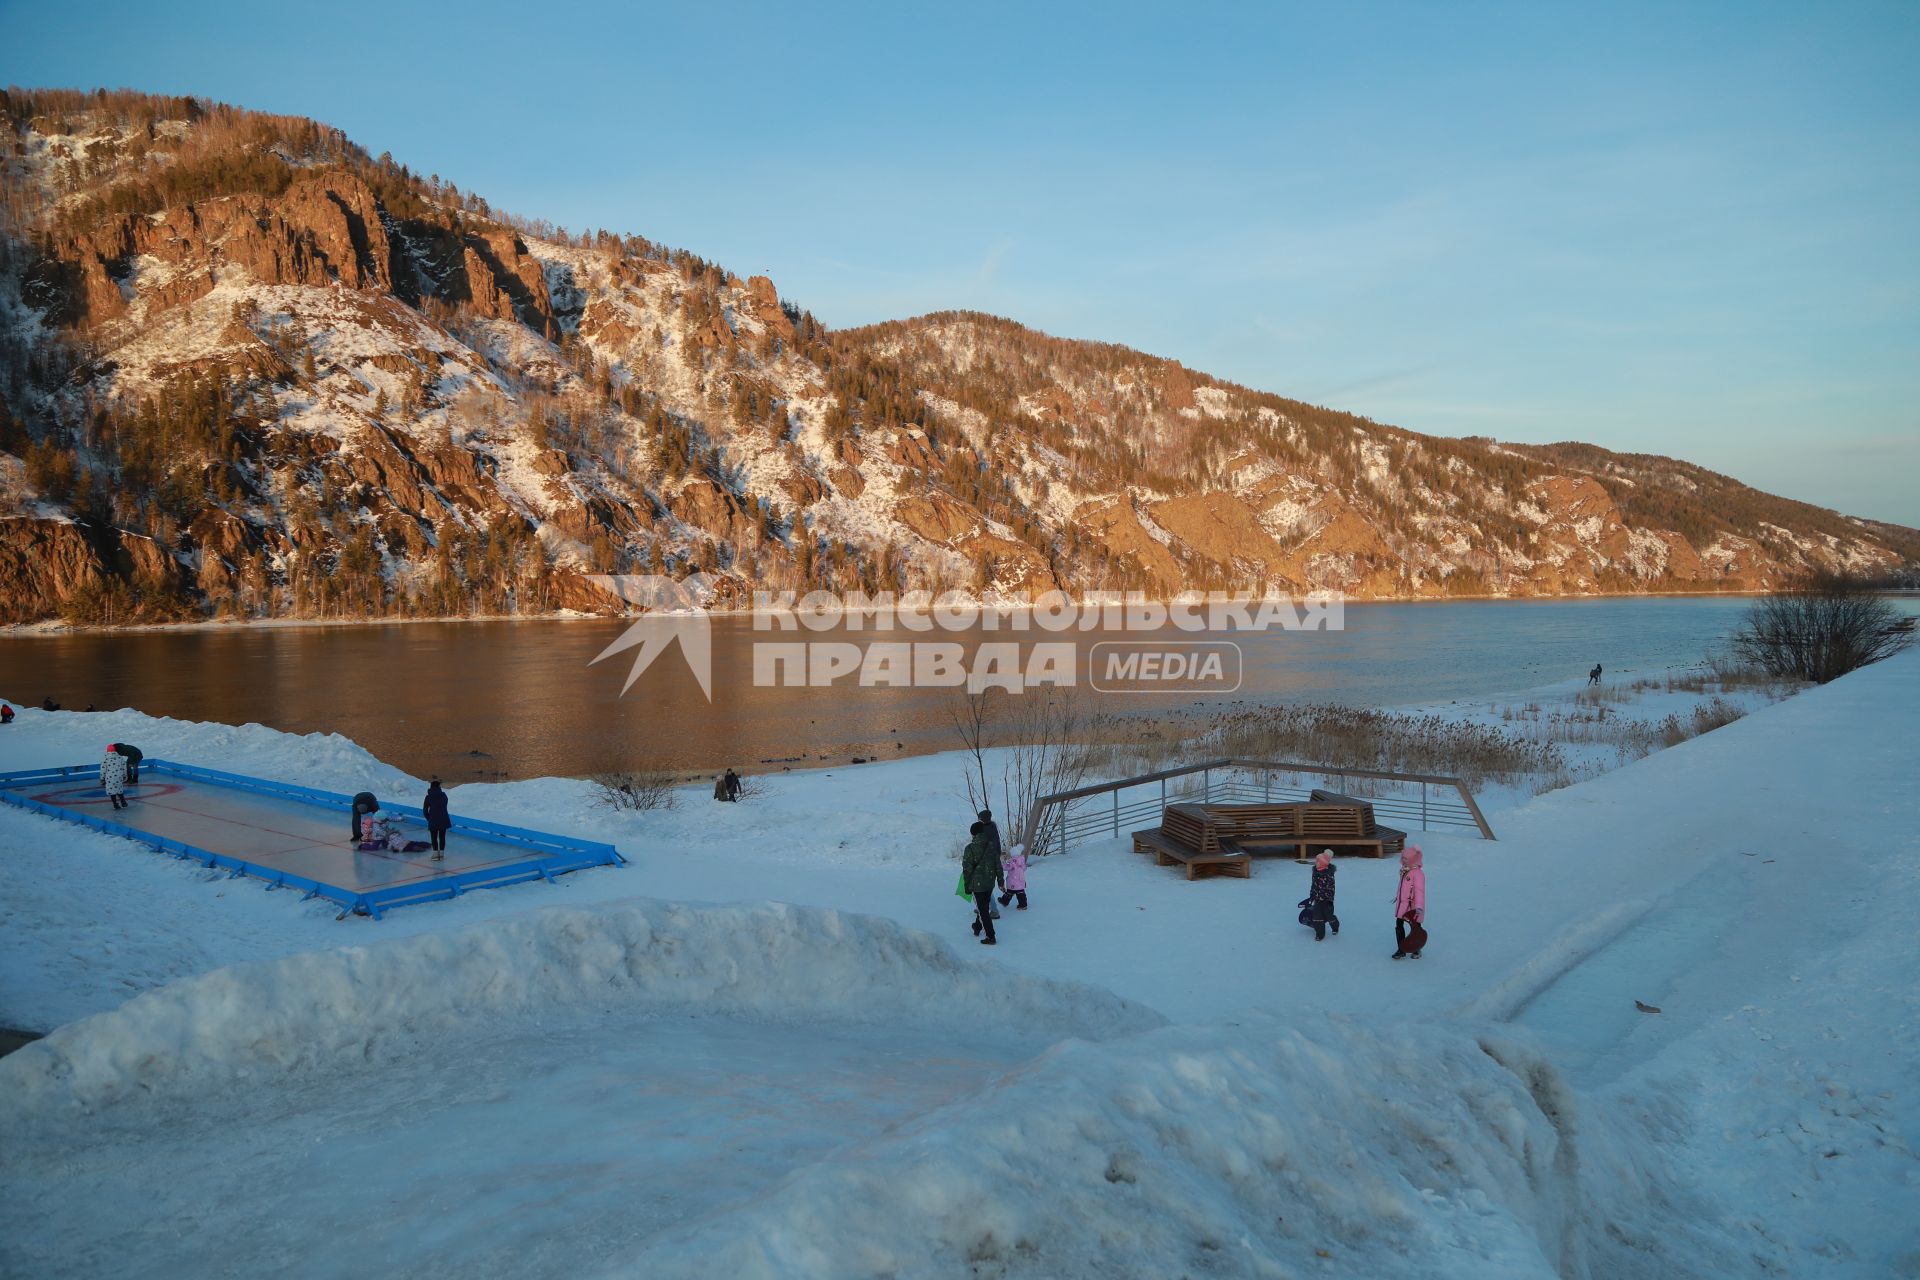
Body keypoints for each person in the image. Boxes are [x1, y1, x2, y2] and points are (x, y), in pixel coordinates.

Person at [962, 821, 1003, 945]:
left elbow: (967, 869)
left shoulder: (970, 848)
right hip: (989, 883)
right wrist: (1000, 881)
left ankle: (990, 936)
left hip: (977, 885)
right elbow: (998, 865)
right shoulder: (991, 846)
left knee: (982, 910)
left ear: (972, 834)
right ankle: (977, 926)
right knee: (983, 906)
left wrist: (967, 887)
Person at [1392, 845, 1427, 960]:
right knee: (1399, 925)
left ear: (1413, 860)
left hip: (1413, 907)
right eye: (1403, 858)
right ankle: (1401, 949)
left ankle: (1416, 948)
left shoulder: (1418, 874)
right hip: (1402, 904)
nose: (1403, 861)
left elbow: (1419, 891)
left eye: (1406, 859)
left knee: (1415, 926)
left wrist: (1419, 906)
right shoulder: (1405, 870)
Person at [1298, 849, 1340, 941]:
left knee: (1328, 916)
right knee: (1317, 916)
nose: (1316, 862)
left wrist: (1329, 900)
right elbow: (1313, 885)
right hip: (1317, 899)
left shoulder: (1329, 874)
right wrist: (1312, 896)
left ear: (1323, 863)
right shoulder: (1315, 872)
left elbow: (1331, 889)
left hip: (1326, 900)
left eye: (1318, 861)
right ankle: (1320, 933)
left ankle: (1335, 926)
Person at [423, 778, 452, 860]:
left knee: (434, 837)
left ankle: (435, 855)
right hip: (444, 819)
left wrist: (429, 818)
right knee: (442, 837)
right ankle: (442, 855)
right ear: (439, 787)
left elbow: (425, 810)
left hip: (433, 819)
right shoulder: (444, 795)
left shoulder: (428, 797)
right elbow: (445, 804)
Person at [998, 842, 1029, 911]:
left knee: (1009, 892)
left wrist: (1002, 865)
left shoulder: (1012, 861)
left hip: (1013, 881)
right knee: (1021, 893)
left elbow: (1007, 867)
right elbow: (1024, 868)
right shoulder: (1022, 860)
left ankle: (1004, 901)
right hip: (1020, 881)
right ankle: (1023, 905)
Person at [100, 745, 129, 811]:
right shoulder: (120, 757)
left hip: (110, 777)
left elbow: (103, 769)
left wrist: (102, 777)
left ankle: (115, 804)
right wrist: (125, 776)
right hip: (119, 776)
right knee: (119, 789)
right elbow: (124, 767)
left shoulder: (105, 758)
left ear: (107, 750)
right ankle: (123, 802)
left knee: (111, 791)